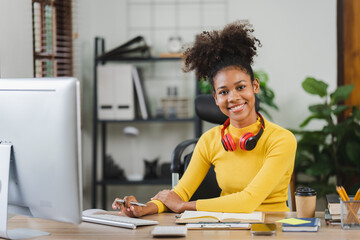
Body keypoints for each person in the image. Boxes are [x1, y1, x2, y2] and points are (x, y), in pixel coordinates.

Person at [112, 20, 297, 217]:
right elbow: (181, 192)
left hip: (272, 229)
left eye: (241, 87)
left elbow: (248, 201)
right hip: (228, 226)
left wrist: (184, 206)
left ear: (255, 86)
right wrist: (142, 208)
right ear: (216, 98)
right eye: (224, 92)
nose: (233, 97)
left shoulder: (281, 140)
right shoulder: (209, 140)